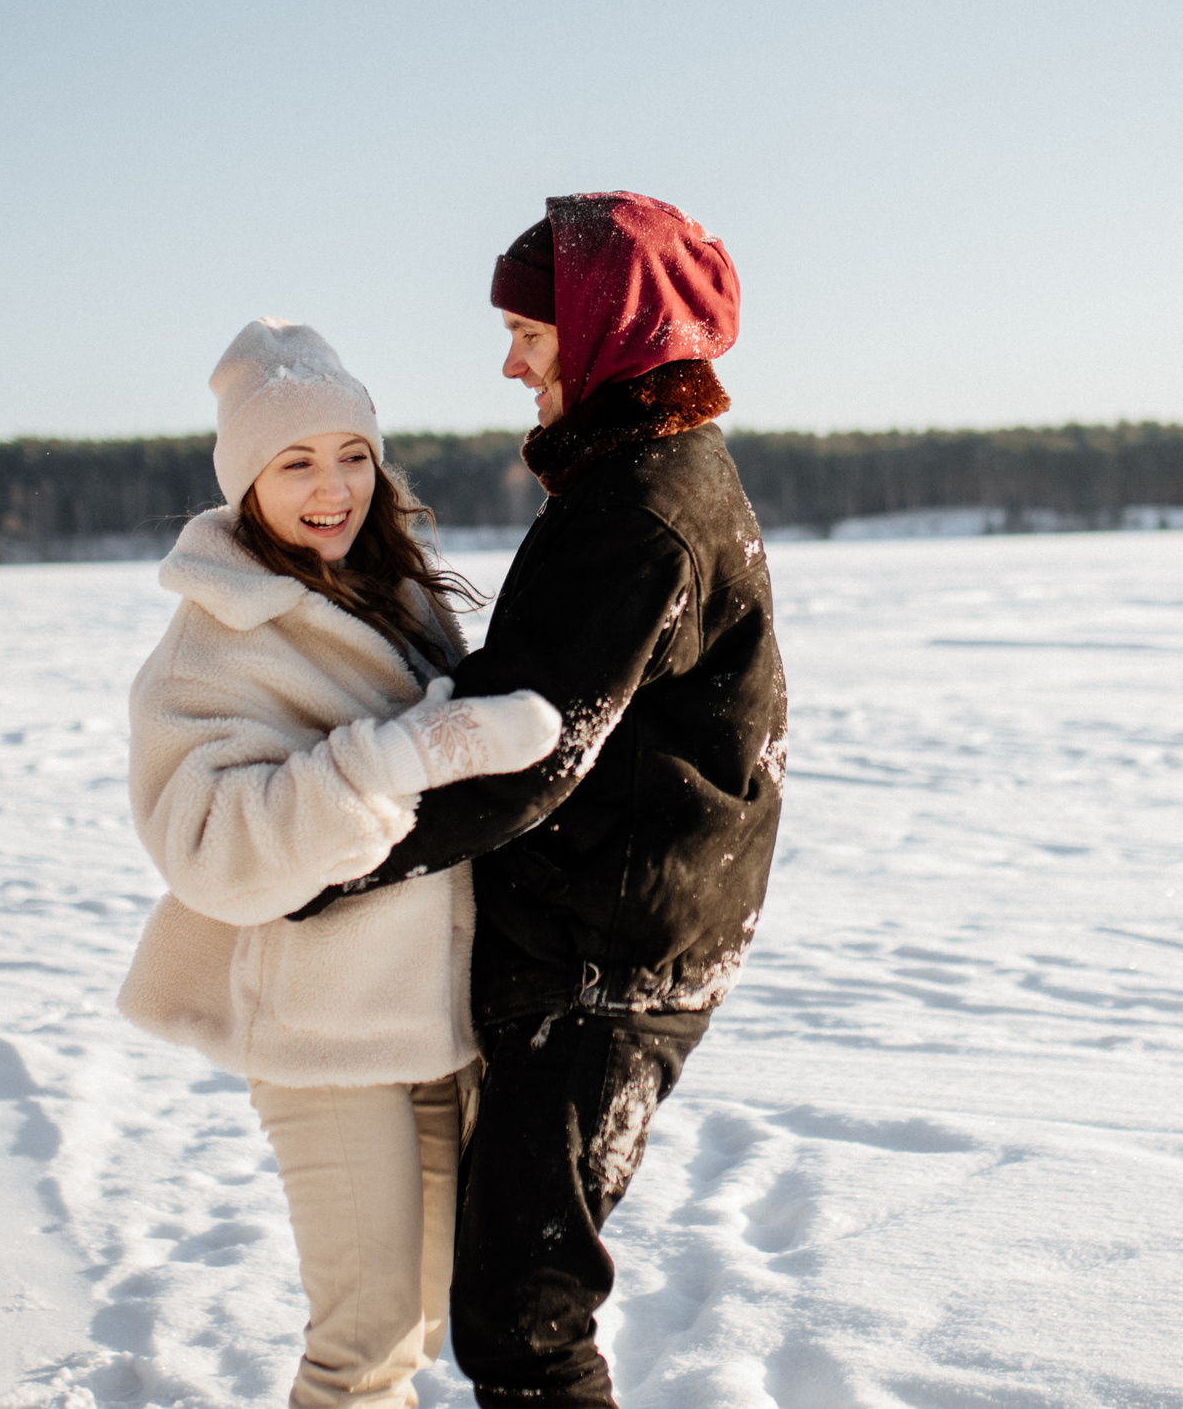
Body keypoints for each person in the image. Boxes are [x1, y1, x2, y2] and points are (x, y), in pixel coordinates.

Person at [290, 192, 788, 1409]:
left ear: (610, 324)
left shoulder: (643, 509)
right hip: (599, 936)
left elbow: (527, 749)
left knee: (524, 1316)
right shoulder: (634, 475)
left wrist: (327, 852)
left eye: (532, 330)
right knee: (507, 1296)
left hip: (608, 961)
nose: (510, 360)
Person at [116, 318, 563, 1409]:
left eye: (352, 453)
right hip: (324, 1038)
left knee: (421, 1322)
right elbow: (211, 850)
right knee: (358, 1351)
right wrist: (398, 757)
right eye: (297, 461)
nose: (333, 486)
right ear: (246, 482)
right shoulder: (215, 639)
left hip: (437, 1021)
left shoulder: (392, 592)